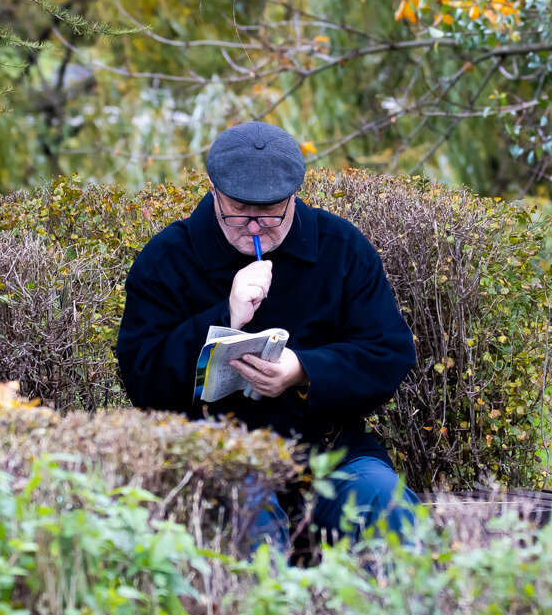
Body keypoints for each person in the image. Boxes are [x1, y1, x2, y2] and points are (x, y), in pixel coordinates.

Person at [115, 121, 419, 552]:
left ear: (294, 195)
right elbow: (142, 379)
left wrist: (304, 372)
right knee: (241, 518)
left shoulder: (341, 248)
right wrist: (227, 315)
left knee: (382, 504)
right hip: (221, 459)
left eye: (272, 212)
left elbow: (389, 353)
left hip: (330, 455)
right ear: (214, 193)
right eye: (240, 211)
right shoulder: (168, 258)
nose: (256, 228)